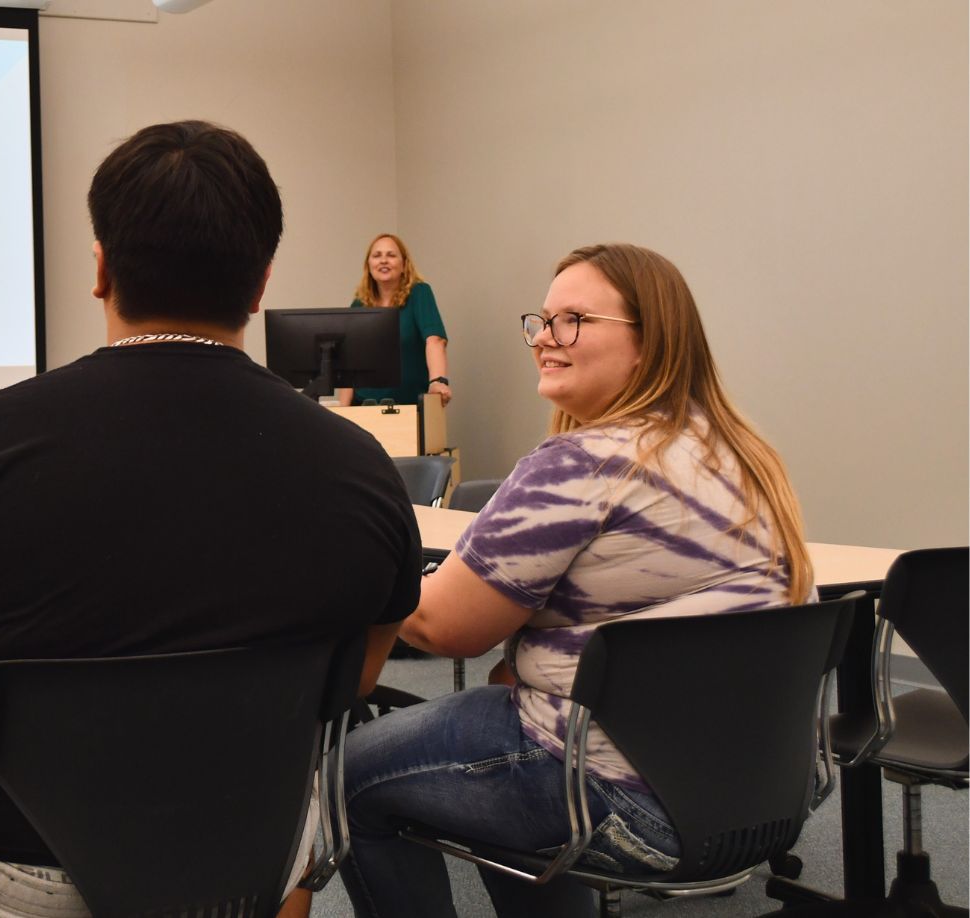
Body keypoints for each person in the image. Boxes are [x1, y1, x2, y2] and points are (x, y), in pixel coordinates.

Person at [0, 120, 422, 918]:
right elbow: (353, 681)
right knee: (276, 857)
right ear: (260, 282)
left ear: (101, 268)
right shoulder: (359, 466)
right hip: (256, 846)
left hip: (7, 852)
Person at [338, 243, 816, 917]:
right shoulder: (742, 456)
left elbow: (442, 627)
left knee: (348, 773)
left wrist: (362, 563)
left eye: (573, 322)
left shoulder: (582, 463)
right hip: (762, 784)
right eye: (542, 320)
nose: (545, 340)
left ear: (649, 344)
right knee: (496, 714)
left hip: (626, 792)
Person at [336, 233, 451, 408]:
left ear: (404, 264)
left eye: (391, 255)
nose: (383, 260)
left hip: (408, 407)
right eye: (377, 255)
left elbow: (435, 340)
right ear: (369, 265)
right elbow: (349, 364)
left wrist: (438, 381)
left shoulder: (419, 293)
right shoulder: (359, 304)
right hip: (364, 407)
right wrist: (343, 412)